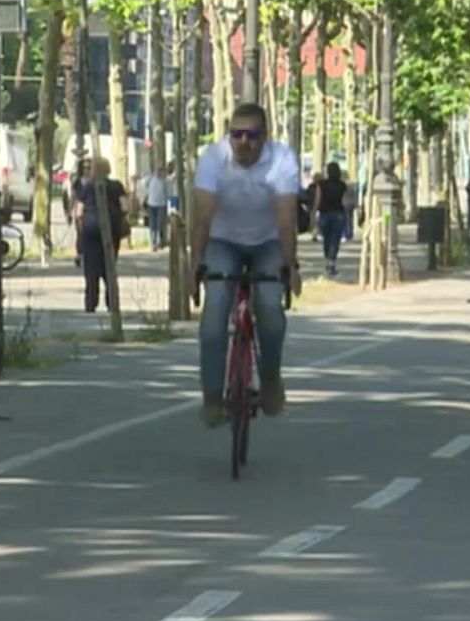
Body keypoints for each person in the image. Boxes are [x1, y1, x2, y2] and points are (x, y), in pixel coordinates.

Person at [189, 104, 302, 428]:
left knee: (268, 305)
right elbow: (203, 218)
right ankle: (212, 396)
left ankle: (269, 379)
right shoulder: (213, 159)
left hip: (267, 243)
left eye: (251, 135)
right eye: (236, 134)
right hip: (223, 242)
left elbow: (285, 220)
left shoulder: (281, 160)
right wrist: (195, 264)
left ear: (264, 137)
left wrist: (289, 264)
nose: (243, 141)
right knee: (215, 313)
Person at [74, 157, 128, 313]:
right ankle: (112, 303)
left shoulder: (87, 188)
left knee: (91, 269)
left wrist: (79, 226)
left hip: (90, 229)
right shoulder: (116, 186)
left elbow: (78, 212)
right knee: (109, 267)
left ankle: (91, 303)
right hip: (111, 229)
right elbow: (125, 207)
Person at [314, 162, 349, 277]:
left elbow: (318, 199)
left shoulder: (321, 184)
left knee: (327, 239)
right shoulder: (342, 185)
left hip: (324, 214)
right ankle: (331, 261)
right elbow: (345, 202)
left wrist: (314, 212)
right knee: (335, 239)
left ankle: (328, 259)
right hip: (338, 213)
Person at [144, 165, 170, 251]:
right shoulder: (151, 178)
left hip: (161, 204)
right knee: (152, 224)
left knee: (159, 224)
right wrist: (150, 174)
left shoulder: (165, 181)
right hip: (151, 204)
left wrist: (168, 203)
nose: (159, 172)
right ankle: (153, 242)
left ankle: (158, 241)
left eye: (161, 171)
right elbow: (144, 183)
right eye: (158, 170)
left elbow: (168, 192)